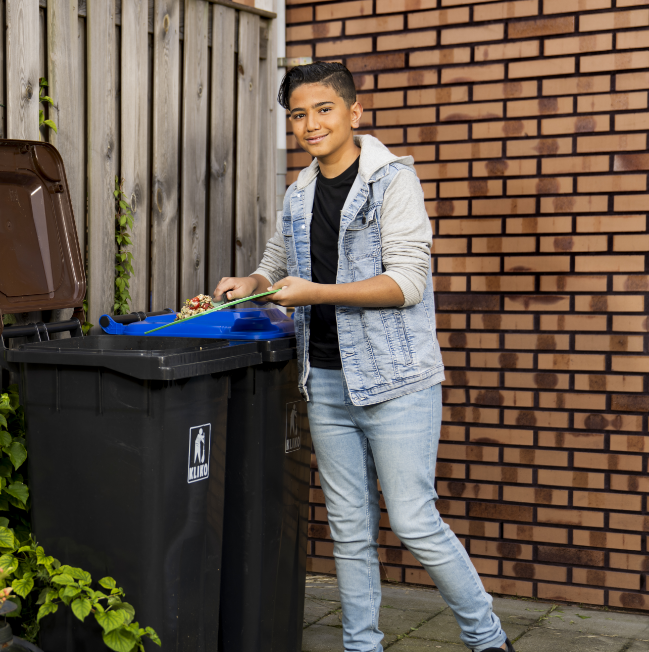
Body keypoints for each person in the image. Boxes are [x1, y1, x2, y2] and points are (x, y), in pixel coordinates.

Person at [213, 62, 513, 652]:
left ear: (354, 112)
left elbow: (408, 283)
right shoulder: (299, 193)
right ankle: (361, 647)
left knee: (415, 521)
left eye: (323, 109)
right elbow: (278, 260)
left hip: (398, 382)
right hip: (325, 381)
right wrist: (253, 282)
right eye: (298, 114)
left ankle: (489, 640)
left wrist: (315, 293)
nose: (310, 124)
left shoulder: (393, 181)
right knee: (349, 531)